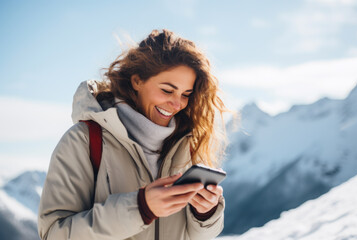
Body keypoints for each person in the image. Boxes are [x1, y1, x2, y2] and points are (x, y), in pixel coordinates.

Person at [38, 29, 228, 240]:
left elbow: (198, 236)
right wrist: (140, 208)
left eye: (186, 94)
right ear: (137, 81)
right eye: (167, 90)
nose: (177, 104)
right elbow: (54, 234)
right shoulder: (84, 141)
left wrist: (205, 213)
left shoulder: (188, 144)